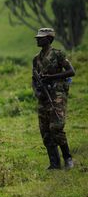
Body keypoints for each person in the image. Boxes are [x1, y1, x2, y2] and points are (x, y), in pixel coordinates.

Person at [32, 28, 75, 169]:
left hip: (57, 95)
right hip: (43, 97)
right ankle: (54, 163)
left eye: (41, 37)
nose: (38, 39)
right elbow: (34, 78)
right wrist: (36, 90)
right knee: (45, 131)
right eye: (38, 37)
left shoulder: (58, 54)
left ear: (49, 39)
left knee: (56, 127)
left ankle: (68, 158)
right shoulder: (36, 59)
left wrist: (52, 77)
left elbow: (71, 71)